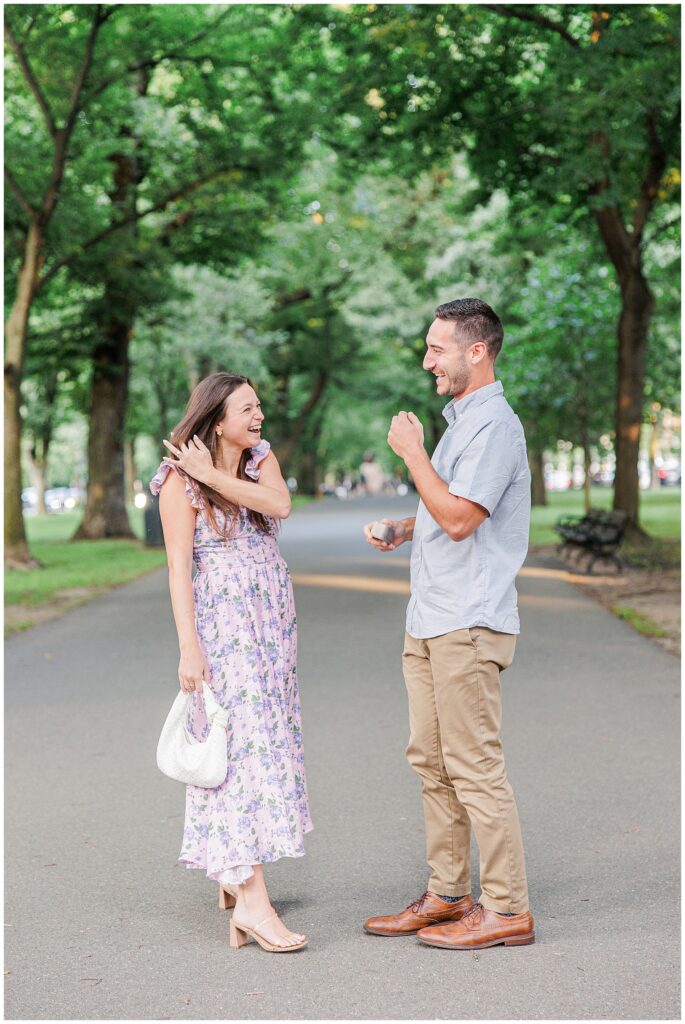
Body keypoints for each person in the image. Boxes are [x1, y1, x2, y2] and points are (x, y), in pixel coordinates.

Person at [362, 298, 535, 950]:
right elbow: (452, 507)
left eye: (436, 348)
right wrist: (407, 526)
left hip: (467, 621)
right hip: (429, 618)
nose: (426, 359)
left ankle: (507, 909)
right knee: (431, 762)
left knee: (472, 766)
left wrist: (410, 453)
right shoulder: (461, 423)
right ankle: (447, 893)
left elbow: (463, 519)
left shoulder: (495, 426)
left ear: (476, 351)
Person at [150, 372, 312, 953]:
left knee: (267, 742)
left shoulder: (254, 460)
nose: (259, 415)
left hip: (271, 630)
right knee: (239, 753)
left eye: (259, 405)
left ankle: (232, 869)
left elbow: (280, 505)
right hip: (225, 632)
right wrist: (188, 646)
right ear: (217, 418)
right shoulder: (176, 483)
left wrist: (214, 474)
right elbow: (177, 569)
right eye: (248, 409)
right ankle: (252, 901)